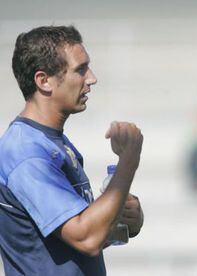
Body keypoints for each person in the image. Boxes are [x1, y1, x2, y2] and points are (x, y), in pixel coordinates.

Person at [0, 25, 144, 275]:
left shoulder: (53, 142)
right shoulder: (26, 153)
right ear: (44, 80)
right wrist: (128, 161)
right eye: (80, 69)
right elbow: (86, 238)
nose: (92, 78)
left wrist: (124, 216)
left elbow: (73, 239)